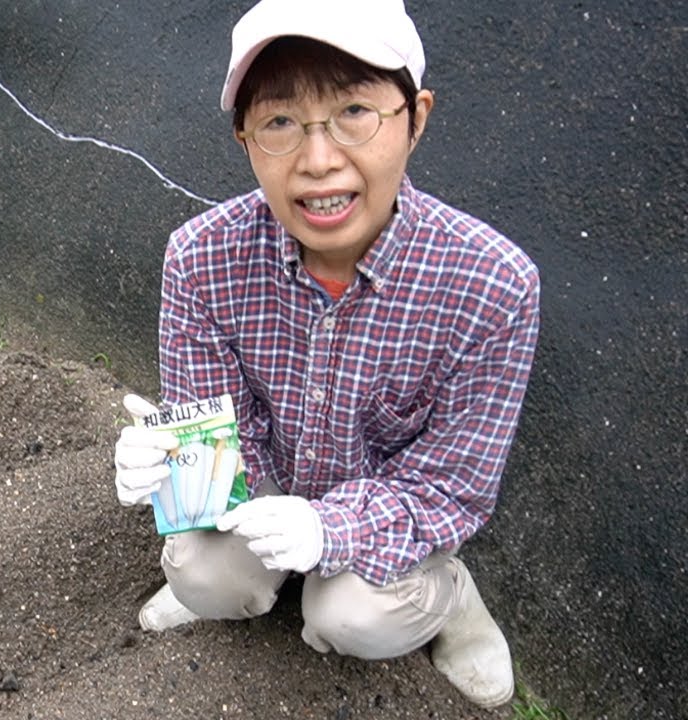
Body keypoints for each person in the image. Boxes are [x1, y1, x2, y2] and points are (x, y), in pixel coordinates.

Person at [112, 0, 539, 709]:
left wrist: (329, 529)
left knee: (351, 614)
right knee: (205, 576)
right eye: (280, 122)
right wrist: (174, 467)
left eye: (353, 113)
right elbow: (216, 429)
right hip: (268, 495)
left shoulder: (492, 285)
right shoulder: (200, 257)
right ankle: (236, 584)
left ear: (416, 118)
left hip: (388, 520)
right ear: (245, 139)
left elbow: (450, 488)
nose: (318, 160)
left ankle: (452, 597)